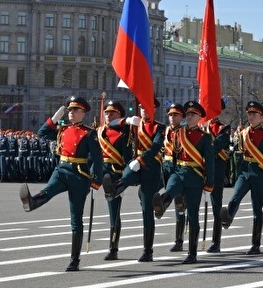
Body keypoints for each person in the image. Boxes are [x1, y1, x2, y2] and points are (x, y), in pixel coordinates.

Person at [19, 96, 102, 272]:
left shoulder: (89, 133)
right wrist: (55, 117)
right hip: (62, 170)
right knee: (48, 190)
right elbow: (41, 133)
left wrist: (96, 180)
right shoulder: (62, 129)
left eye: (75, 110)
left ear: (83, 113)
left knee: (76, 219)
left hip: (79, 176)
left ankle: (74, 260)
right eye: (70, 110)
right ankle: (32, 202)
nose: (71, 113)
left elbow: (98, 159)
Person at [103, 98, 164, 262]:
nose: (144, 111)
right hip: (134, 167)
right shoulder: (133, 125)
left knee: (146, 209)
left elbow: (156, 147)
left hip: (150, 169)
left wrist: (141, 160)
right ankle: (114, 190)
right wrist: (127, 119)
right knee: (127, 175)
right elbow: (111, 123)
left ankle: (148, 251)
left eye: (148, 108)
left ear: (154, 110)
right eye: (142, 108)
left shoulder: (160, 127)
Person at [152, 101, 214, 264]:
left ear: (199, 117)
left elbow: (210, 162)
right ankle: (161, 206)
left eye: (192, 115)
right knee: (170, 189)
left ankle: (192, 253)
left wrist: (209, 184)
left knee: (193, 214)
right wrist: (170, 173)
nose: (189, 117)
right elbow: (174, 154)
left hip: (194, 175)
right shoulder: (178, 133)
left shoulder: (204, 137)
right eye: (187, 114)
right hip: (178, 171)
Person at [220, 101, 263, 255]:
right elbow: (239, 153)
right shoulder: (243, 133)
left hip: (259, 173)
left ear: (262, 118)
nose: (251, 116)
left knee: (256, 209)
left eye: (254, 114)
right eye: (249, 114)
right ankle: (228, 217)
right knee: (235, 196)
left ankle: (255, 244)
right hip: (245, 171)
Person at [97, 100, 134, 261]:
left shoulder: (125, 134)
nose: (108, 115)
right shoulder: (99, 132)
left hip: (114, 176)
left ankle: (113, 248)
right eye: (106, 112)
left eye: (112, 113)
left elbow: (127, 159)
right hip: (99, 173)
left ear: (119, 115)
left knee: (114, 213)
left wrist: (125, 179)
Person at [205, 100, 231, 253]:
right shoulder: (201, 127)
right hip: (200, 169)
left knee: (216, 205)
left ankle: (216, 241)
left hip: (217, 170)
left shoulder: (224, 128)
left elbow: (216, 147)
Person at [162, 103, 187, 252]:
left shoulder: (184, 132)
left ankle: (179, 240)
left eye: (176, 115)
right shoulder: (166, 131)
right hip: (167, 169)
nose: (172, 118)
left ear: (181, 117)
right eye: (170, 115)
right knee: (178, 203)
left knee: (180, 204)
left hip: (179, 169)